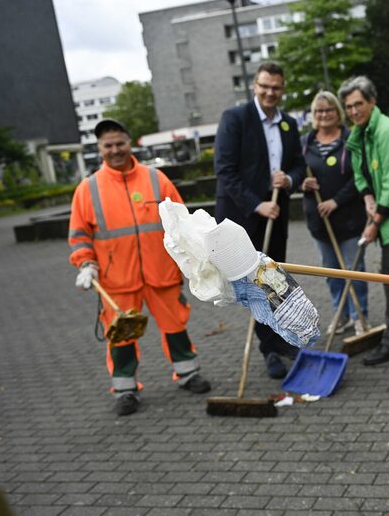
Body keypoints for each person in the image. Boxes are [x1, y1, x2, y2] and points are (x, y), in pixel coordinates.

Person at [69, 119, 211, 417]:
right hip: (116, 279)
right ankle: (125, 390)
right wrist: (85, 264)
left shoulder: (156, 179)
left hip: (162, 272)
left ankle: (187, 374)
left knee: (175, 325)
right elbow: (80, 234)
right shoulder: (88, 189)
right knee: (121, 335)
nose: (115, 150)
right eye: (108, 146)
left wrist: (192, 258)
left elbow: (181, 222)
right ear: (100, 149)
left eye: (119, 143)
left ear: (130, 143)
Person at [213, 61, 306, 379]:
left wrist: (289, 181)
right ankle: (270, 349)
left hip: (274, 217)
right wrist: (257, 205)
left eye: (276, 87)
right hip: (241, 220)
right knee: (254, 285)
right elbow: (225, 170)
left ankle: (279, 340)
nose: (270, 92)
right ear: (254, 85)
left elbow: (298, 166)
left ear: (282, 89)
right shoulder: (235, 118)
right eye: (264, 85)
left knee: (274, 281)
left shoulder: (288, 124)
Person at [338, 76, 389, 366]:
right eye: (348, 107)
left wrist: (374, 221)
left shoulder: (388, 132)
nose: (353, 111)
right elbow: (360, 173)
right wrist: (366, 199)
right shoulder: (360, 134)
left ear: (372, 102)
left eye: (358, 104)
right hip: (385, 215)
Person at [300, 91, 369, 335]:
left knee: (354, 271)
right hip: (319, 222)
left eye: (329, 109)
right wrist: (302, 183)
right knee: (331, 272)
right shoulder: (305, 142)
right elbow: (296, 171)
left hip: (349, 218)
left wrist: (336, 201)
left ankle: (359, 316)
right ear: (313, 115)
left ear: (337, 112)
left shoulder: (350, 139)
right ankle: (341, 316)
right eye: (319, 111)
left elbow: (359, 176)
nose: (324, 114)